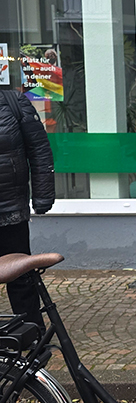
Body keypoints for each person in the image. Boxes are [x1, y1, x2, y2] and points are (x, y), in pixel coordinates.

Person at [0, 90, 54, 332]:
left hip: (10, 209)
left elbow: (39, 151)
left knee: (21, 277)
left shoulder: (13, 103)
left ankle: (33, 335)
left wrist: (42, 197)